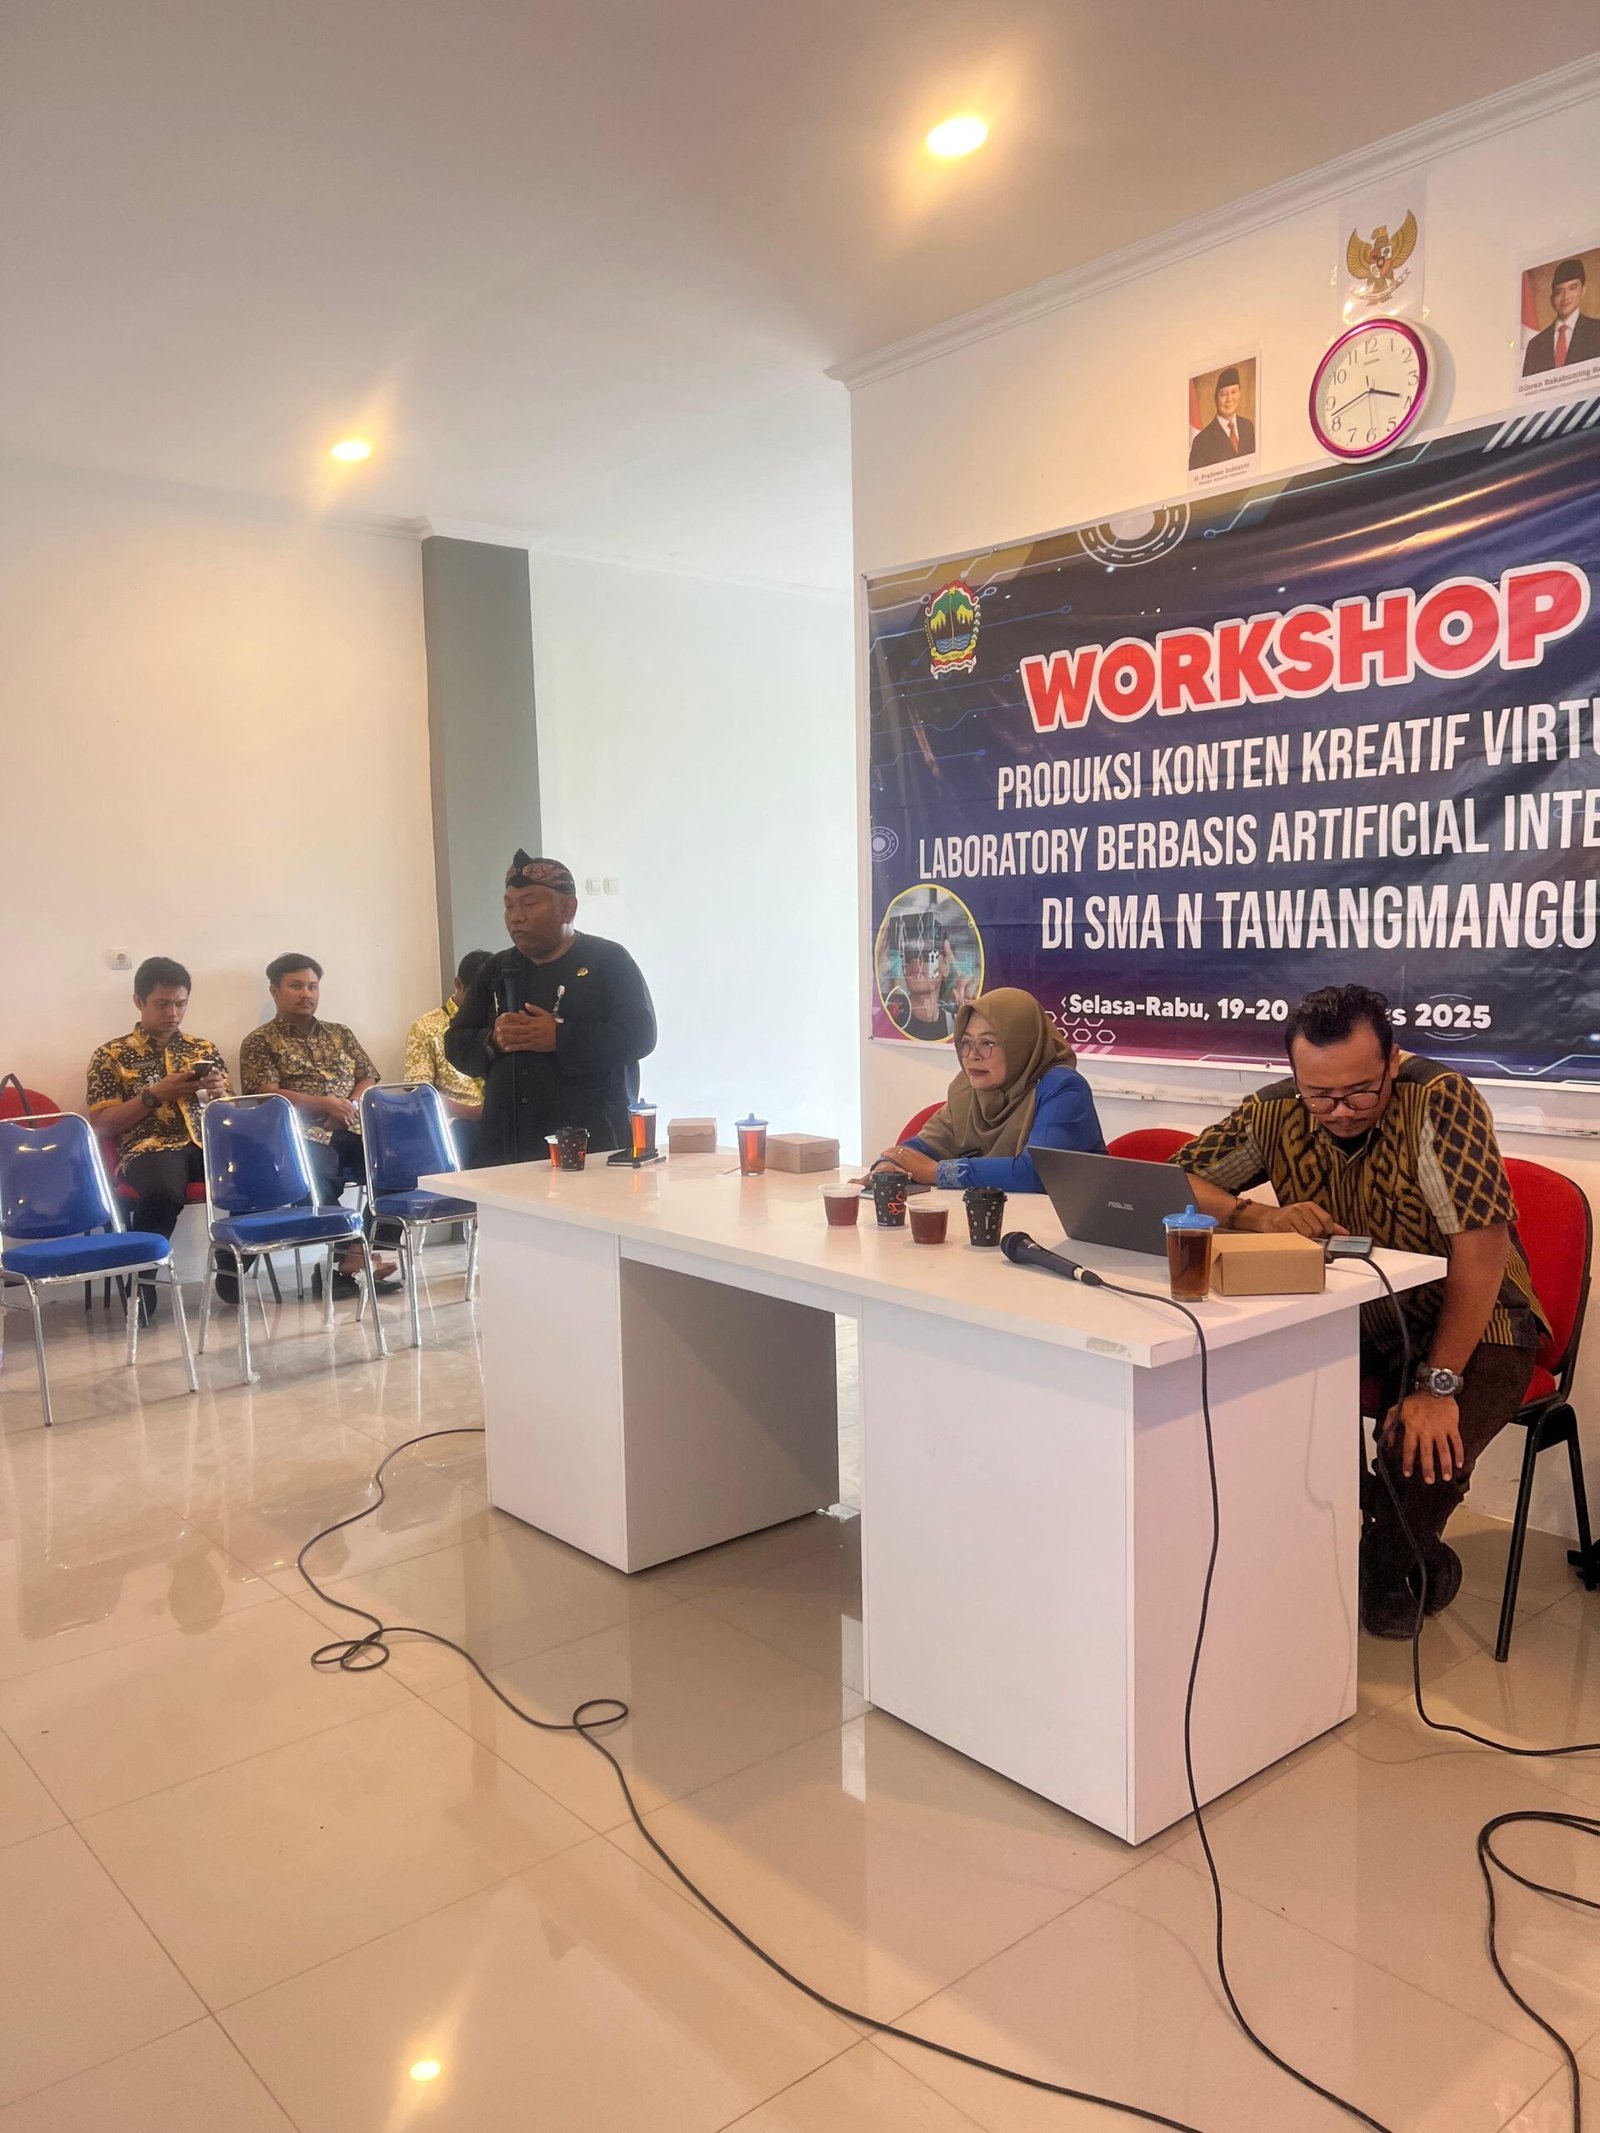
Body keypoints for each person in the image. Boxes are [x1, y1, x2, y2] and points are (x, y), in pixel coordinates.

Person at [1171, 984, 1546, 1640]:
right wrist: (1255, 1214)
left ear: (1391, 1062)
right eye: (1320, 1095)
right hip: (1360, 1311)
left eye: (1360, 1092)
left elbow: (1481, 1249)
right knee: (1258, 1399)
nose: (1340, 1111)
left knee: (1414, 1465)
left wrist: (1438, 1386)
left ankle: (1400, 1557)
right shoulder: (1275, 1110)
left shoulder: (1438, 1101)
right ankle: (1383, 1536)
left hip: (1480, 1318)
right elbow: (1177, 1182)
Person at [446, 852, 657, 1166]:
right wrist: (493, 1041)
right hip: (507, 1147)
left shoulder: (608, 961)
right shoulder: (496, 969)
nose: (516, 917)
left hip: (592, 1143)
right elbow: (456, 1042)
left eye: (529, 904)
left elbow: (640, 1035)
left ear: (568, 908)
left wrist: (559, 1037)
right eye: (509, 906)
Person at [238, 954, 398, 1296]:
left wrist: (348, 1105)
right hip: (298, 1136)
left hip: (351, 1127)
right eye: (296, 986)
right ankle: (352, 1255)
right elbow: (265, 1095)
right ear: (275, 991)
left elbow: (367, 1076)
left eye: (312, 986)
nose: (306, 993)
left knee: (398, 1165)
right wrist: (324, 1104)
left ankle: (359, 1255)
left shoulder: (341, 1033)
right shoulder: (260, 1042)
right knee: (312, 1180)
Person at [86, 956, 230, 1316]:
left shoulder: (203, 1049)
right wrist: (154, 1096)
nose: (173, 1013)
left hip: (207, 1143)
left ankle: (233, 1262)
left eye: (180, 1004)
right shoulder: (111, 1055)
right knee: (164, 1189)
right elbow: (102, 1124)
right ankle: (143, 1278)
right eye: (162, 1004)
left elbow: (229, 1112)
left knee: (258, 1172)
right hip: (148, 1148)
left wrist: (219, 1094)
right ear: (139, 1001)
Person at [871, 988, 1106, 1192]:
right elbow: (924, 1147)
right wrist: (889, 1165)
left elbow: (1037, 1172)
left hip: (1064, 1226)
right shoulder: (966, 1089)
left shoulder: (1063, 1089)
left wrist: (937, 1172)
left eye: (987, 1043)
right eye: (966, 1042)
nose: (972, 1055)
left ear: (1021, 1044)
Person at [404, 949, 492, 1167]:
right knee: (468, 1134)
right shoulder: (427, 1026)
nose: (485, 1001)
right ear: (458, 984)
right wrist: (471, 1112)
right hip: (458, 1123)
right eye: (478, 993)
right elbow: (418, 1092)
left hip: (499, 1118)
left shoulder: (499, 1023)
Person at [1522, 257, 1600, 377]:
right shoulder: (1535, 344)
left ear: (1583, 290)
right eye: (1559, 291)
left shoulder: (1597, 331)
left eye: (1572, 288)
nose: (1565, 297)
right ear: (1552, 298)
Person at [1188, 365, 1257, 469]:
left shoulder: (1248, 427)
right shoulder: (1201, 441)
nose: (1229, 399)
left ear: (1240, 393)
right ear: (1216, 399)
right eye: (1224, 394)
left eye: (1234, 392)